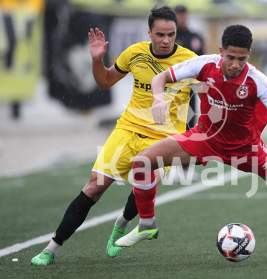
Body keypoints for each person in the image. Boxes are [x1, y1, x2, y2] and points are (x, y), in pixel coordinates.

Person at [115, 25, 267, 257]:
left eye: (241, 59)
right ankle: (147, 224)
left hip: (246, 149)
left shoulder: (257, 80)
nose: (235, 64)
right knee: (142, 162)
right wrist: (158, 100)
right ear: (221, 51)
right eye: (230, 57)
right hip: (205, 139)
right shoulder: (205, 64)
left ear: (249, 56)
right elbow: (160, 78)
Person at [31, 6, 197, 266]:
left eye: (171, 35)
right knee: (94, 186)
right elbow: (105, 82)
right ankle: (51, 248)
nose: (166, 40)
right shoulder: (134, 53)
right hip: (128, 128)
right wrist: (97, 60)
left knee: (143, 185)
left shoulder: (189, 61)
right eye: (160, 34)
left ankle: (121, 224)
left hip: (164, 138)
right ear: (149, 33)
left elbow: (206, 93)